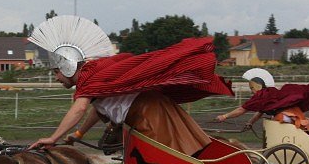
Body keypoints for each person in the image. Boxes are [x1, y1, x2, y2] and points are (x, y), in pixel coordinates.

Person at [27, 16, 233, 156]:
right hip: (151, 109)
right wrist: (79, 134)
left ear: (68, 66)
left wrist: (53, 137)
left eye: (56, 72)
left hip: (148, 115)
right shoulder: (94, 78)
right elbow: (97, 108)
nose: (56, 78)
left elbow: (79, 108)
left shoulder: (88, 77)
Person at [215, 68, 309, 132]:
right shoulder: (269, 92)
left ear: (256, 86)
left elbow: (241, 110)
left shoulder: (261, 95)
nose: (251, 91)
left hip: (286, 116)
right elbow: (261, 111)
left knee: (272, 128)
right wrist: (250, 122)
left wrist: (224, 116)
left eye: (252, 88)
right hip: (294, 113)